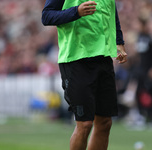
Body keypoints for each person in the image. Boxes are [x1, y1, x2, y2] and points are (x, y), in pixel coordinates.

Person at [41, 0, 127, 150]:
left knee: (105, 123)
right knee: (85, 123)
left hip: (104, 58)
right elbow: (47, 16)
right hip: (76, 60)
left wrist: (119, 41)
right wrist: (76, 12)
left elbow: (112, 12)